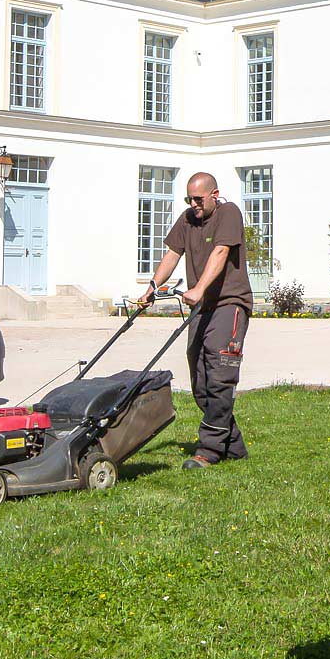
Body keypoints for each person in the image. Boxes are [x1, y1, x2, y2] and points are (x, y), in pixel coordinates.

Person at [138, 171, 252, 469]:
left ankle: (209, 450)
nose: (193, 204)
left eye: (199, 199)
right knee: (200, 380)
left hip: (229, 304)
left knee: (219, 374)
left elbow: (221, 251)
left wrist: (199, 288)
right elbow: (172, 254)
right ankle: (234, 447)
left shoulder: (229, 213)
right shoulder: (188, 219)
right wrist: (152, 288)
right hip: (202, 308)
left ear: (215, 194)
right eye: (189, 199)